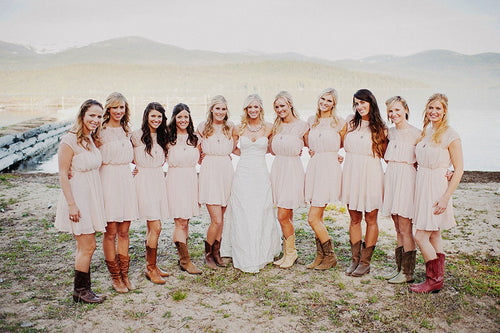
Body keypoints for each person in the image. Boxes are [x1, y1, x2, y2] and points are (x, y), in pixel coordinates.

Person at [220, 94, 281, 273]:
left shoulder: (270, 127)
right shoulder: (238, 128)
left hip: (261, 173)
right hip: (243, 173)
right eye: (249, 107)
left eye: (256, 107)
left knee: (260, 209)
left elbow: (272, 148)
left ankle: (262, 250)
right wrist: (247, 156)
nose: (253, 110)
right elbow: (232, 148)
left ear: (261, 108)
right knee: (242, 209)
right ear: (245, 110)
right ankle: (241, 250)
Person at [410, 93, 463, 293]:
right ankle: (437, 278)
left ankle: (433, 279)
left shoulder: (451, 134)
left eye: (438, 108)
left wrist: (445, 197)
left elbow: (458, 169)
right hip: (422, 183)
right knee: (434, 235)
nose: (434, 112)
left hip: (437, 188)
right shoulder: (426, 131)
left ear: (445, 111)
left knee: (420, 236)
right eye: (431, 107)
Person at [55, 99, 106, 303]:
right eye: (92, 115)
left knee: (85, 246)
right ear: (82, 115)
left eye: (99, 116)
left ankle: (83, 290)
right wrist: (72, 204)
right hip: (78, 197)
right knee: (88, 245)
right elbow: (62, 173)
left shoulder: (91, 138)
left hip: (91, 195)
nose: (95, 119)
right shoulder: (69, 140)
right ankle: (81, 290)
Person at [341, 89, 387, 277]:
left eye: (362, 103)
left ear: (371, 103)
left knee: (370, 219)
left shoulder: (380, 128)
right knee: (354, 218)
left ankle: (365, 262)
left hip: (371, 175)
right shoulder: (350, 123)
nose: (359, 107)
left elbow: (387, 154)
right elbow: (336, 142)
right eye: (356, 103)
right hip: (352, 172)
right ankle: (354, 259)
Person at [99, 92, 139, 293]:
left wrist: (139, 165)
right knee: (111, 232)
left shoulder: (127, 131)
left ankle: (125, 274)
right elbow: (85, 150)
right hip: (108, 181)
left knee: (124, 231)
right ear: (108, 109)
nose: (118, 111)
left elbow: (135, 153)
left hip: (125, 180)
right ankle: (115, 277)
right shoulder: (99, 131)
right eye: (115, 107)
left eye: (122, 107)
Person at [381, 96, 421, 284]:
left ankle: (408, 273)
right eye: (390, 111)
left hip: (406, 179)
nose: (394, 114)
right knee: (397, 226)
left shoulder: (417, 134)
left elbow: (426, 158)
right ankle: (399, 269)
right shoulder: (389, 132)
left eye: (397, 110)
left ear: (405, 109)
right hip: (392, 177)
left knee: (406, 227)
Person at [305, 88, 345, 270]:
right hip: (315, 166)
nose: (325, 103)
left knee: (312, 218)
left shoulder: (339, 122)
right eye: (322, 99)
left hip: (329, 168)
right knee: (318, 216)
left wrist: (335, 155)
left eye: (329, 101)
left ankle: (330, 256)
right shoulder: (311, 121)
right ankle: (319, 256)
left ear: (334, 104)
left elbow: (344, 144)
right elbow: (308, 143)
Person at [131, 102, 170, 284]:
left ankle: (152, 265)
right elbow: (122, 155)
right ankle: (150, 268)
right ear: (146, 116)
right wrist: (131, 170)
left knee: (151, 227)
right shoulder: (136, 136)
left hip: (158, 181)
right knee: (157, 227)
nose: (156, 119)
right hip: (144, 182)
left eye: (159, 116)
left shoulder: (164, 136)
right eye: (153, 116)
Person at [270, 91, 309, 269]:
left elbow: (314, 146)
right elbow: (269, 148)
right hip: (278, 169)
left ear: (290, 105)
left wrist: (334, 158)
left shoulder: (302, 126)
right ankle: (288, 252)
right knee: (287, 215)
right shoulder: (275, 127)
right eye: (277, 107)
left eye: (283, 105)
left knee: (282, 215)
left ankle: (291, 253)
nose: (280, 109)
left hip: (292, 171)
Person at [197, 95, 236, 269]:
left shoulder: (231, 128)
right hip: (210, 172)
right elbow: (196, 152)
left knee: (223, 218)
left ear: (227, 111)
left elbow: (235, 149)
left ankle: (217, 253)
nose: (220, 112)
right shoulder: (202, 128)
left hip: (226, 171)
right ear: (211, 109)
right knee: (217, 220)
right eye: (217, 108)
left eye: (223, 109)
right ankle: (208, 254)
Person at [166, 103, 202, 274]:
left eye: (186, 117)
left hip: (190, 179)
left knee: (186, 220)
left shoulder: (195, 137)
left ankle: (183, 257)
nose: (183, 120)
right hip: (175, 179)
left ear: (190, 118)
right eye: (179, 116)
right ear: (174, 118)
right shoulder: (167, 138)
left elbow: (203, 158)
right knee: (179, 221)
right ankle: (185, 261)